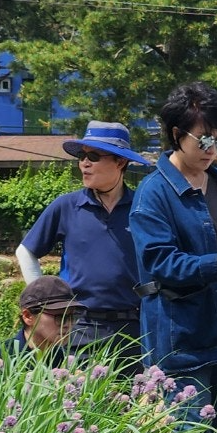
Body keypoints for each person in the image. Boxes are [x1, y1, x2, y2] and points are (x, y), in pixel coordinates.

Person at [131, 82, 217, 433]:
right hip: (180, 336)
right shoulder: (153, 193)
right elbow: (161, 263)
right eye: (204, 139)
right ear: (177, 135)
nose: (212, 149)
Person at [16, 121, 151, 368]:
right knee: (79, 404)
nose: (84, 163)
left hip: (133, 329)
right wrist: (42, 300)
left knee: (127, 404)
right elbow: (26, 250)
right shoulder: (66, 206)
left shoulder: (143, 207)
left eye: (93, 156)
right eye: (81, 156)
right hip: (79, 328)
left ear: (120, 162)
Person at [0, 275, 86, 368]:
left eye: (72, 317)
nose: (68, 325)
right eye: (60, 317)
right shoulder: (0, 357)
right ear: (28, 316)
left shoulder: (62, 357)